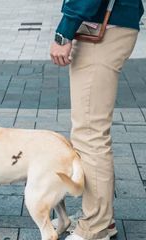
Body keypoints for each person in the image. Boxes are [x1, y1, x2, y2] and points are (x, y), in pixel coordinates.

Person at [50, 0, 144, 240]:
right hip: (110, 22)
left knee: (90, 134)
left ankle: (95, 228)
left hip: (103, 26)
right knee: (91, 132)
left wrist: (64, 31)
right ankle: (103, 220)